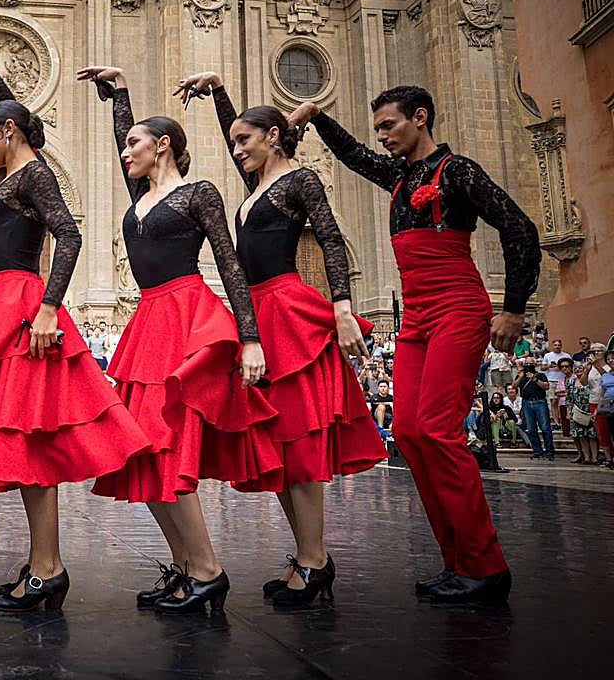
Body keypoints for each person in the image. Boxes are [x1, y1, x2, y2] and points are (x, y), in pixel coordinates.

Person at [288, 84, 540, 605]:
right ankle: (457, 561)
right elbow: (353, 156)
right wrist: (315, 116)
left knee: (439, 432)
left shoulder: (460, 172)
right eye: (378, 128)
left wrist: (513, 307)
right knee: (406, 430)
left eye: (389, 126)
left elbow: (519, 227)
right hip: (419, 316)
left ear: (419, 118)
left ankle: (485, 564)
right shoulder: (401, 177)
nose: (380, 137)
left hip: (458, 308)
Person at [0, 55, 150, 612]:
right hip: (9, 303)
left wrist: (49, 309)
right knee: (28, 440)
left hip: (23, 304)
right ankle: (43, 562)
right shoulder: (21, 164)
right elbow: (18, 118)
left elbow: (69, 234)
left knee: (32, 438)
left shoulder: (33, 173)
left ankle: (48, 566)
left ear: (7, 133)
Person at [177, 69, 387, 606]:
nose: (236, 149)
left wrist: (342, 306)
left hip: (288, 309)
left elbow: (334, 240)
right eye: (233, 142)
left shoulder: (301, 181)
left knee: (298, 440)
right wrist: (220, 91)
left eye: (245, 140)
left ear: (273, 137)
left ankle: (314, 560)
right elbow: (238, 134)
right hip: (257, 311)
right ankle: (307, 556)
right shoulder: (257, 185)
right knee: (281, 447)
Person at [77, 65, 274, 614]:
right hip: (149, 321)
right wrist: (118, 91)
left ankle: (208, 569)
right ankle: (186, 565)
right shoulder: (139, 194)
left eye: (136, 144)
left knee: (168, 446)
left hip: (187, 316)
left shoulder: (199, 195)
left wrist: (249, 339)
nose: (125, 151)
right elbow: (126, 136)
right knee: (141, 452)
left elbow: (230, 264)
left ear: (163, 146)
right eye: (125, 144)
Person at [561, 358, 599, 464]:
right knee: (581, 435)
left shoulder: (589, 379)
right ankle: (586, 457)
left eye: (580, 368)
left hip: (589, 409)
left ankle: (594, 457)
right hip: (577, 411)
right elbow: (569, 397)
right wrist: (569, 410)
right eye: (576, 369)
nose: (578, 370)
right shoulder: (571, 381)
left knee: (592, 435)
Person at [518, 362, 554, 460]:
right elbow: (513, 386)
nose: (527, 366)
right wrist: (520, 376)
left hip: (540, 402)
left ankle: (549, 451)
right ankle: (537, 451)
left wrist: (534, 379)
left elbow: (546, 386)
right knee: (531, 429)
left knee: (545, 428)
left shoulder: (541, 375)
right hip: (526, 403)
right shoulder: (521, 376)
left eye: (530, 364)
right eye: (526, 364)